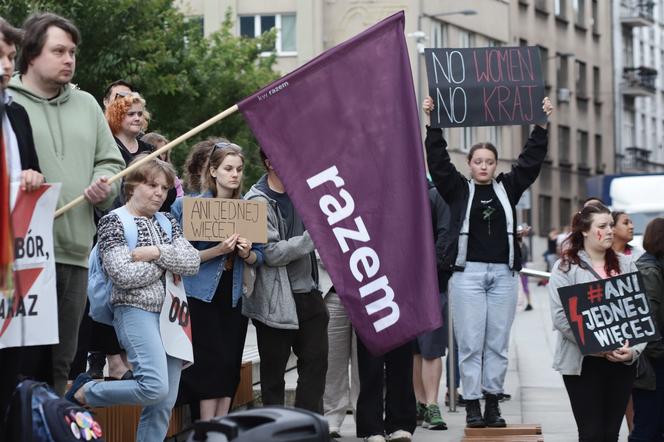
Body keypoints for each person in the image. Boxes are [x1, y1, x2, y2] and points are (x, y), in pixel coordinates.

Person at [8, 12, 125, 395]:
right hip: (19, 257)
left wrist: (101, 184)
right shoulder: (8, 104)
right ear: (30, 54)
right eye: (59, 50)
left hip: (74, 254)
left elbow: (111, 161)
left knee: (62, 362)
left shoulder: (88, 104)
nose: (69, 59)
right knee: (18, 361)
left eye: (72, 52)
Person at [424, 95, 552, 428]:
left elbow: (530, 163)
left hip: (503, 277)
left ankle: (493, 402)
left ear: (496, 165)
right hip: (467, 276)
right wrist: (432, 122)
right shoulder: (457, 190)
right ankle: (471, 405)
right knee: (469, 344)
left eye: (489, 161)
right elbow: (437, 162)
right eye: (478, 161)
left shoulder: (508, 188)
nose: (483, 166)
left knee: (497, 343)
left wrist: (541, 126)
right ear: (469, 164)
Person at [66, 155, 200, 442]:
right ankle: (85, 392)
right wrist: (168, 261)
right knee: (154, 387)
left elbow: (192, 263)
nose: (159, 193)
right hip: (134, 310)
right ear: (132, 184)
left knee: (163, 403)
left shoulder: (167, 220)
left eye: (164, 188)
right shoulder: (113, 221)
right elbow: (123, 275)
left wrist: (155, 253)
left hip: (173, 315)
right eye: (152, 185)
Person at [171, 139, 264, 420]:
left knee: (228, 363)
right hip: (200, 296)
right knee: (207, 364)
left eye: (238, 169)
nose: (234, 174)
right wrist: (218, 250)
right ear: (213, 171)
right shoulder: (188, 207)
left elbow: (260, 256)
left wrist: (247, 253)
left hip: (234, 296)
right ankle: (206, 428)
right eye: (227, 168)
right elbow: (180, 257)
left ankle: (220, 428)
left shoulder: (248, 207)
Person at [548, 204, 644, 441]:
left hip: (621, 361)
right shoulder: (565, 268)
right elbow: (562, 317)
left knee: (611, 433)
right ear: (585, 231)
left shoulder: (626, 264)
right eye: (602, 226)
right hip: (583, 364)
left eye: (611, 225)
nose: (610, 231)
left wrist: (633, 351)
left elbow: (640, 313)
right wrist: (598, 346)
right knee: (591, 433)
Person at [243, 150, 328, 413]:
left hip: (309, 294)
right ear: (269, 163)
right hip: (274, 300)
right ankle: (275, 432)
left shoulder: (305, 194)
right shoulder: (256, 201)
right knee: (273, 376)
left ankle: (306, 429)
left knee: (315, 367)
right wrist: (313, 236)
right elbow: (271, 252)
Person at [0, 16, 46, 435]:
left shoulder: (15, 116)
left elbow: (31, 171)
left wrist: (31, 176)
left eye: (10, 56)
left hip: (12, 269)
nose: (5, 65)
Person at [413, 180, 451, 431]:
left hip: (431, 284)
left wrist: (428, 271)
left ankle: (432, 404)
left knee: (431, 347)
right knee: (412, 349)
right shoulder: (391, 190)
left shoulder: (435, 194)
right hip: (397, 284)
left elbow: (446, 236)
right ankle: (418, 404)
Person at [320, 249, 359, 439]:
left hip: (367, 293)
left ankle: (366, 418)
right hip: (333, 291)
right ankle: (332, 418)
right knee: (332, 362)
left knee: (364, 364)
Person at [631, 218, 664, 441]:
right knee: (648, 427)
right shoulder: (650, 271)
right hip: (652, 364)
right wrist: (660, 351)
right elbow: (648, 320)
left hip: (654, 360)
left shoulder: (655, 267)